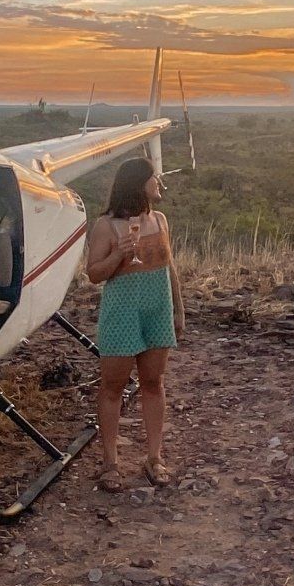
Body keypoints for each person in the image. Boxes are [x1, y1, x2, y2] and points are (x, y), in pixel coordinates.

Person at [84, 155, 184, 491]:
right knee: (113, 387)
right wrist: (118, 255)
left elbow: (169, 269)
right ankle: (110, 463)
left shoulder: (160, 220)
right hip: (122, 311)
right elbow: (94, 274)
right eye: (153, 178)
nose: (158, 183)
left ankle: (154, 458)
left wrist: (178, 310)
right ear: (138, 184)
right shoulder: (106, 226)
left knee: (154, 383)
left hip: (157, 307)